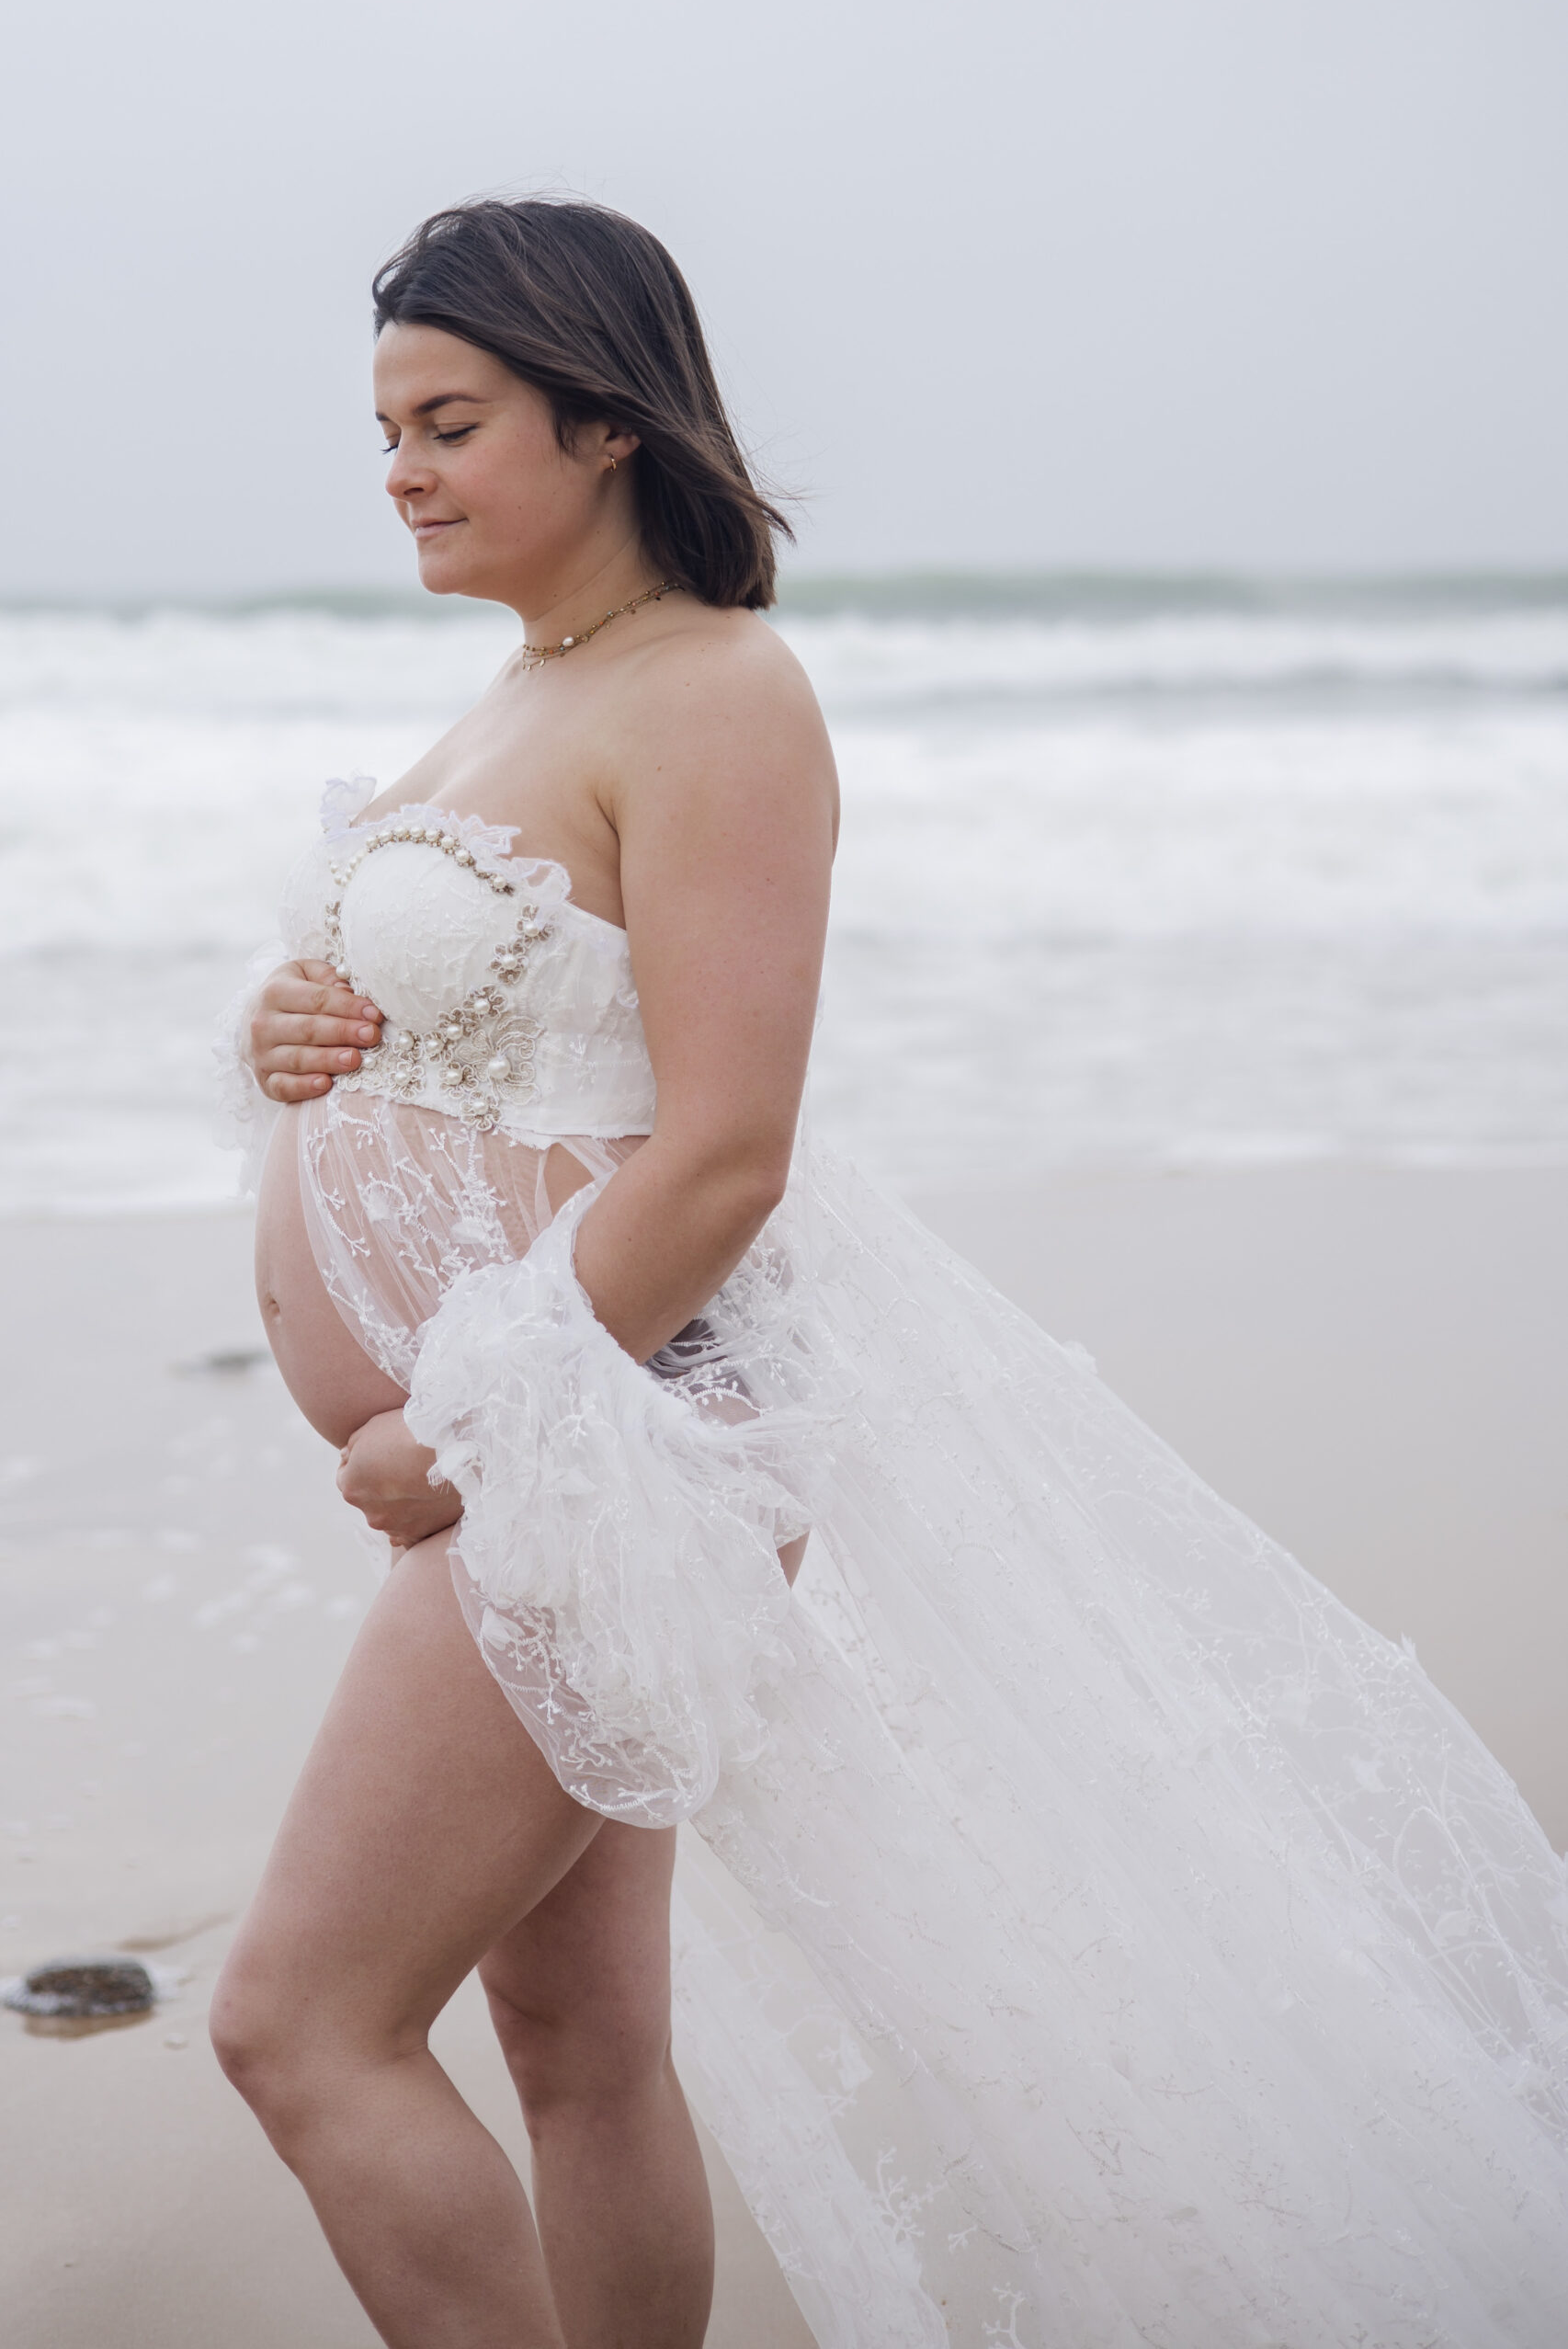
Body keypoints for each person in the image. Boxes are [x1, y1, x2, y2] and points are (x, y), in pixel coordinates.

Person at [211, 199, 1568, 2349]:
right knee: (576, 2043)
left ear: (602, 418)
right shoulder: (520, 691)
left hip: (591, 1443)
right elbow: (510, 1030)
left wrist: (462, 1430)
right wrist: (297, 1034)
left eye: (448, 422)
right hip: (541, 1450)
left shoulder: (719, 689)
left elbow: (729, 1144)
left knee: (298, 2027)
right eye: (383, 427)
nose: (398, 470)